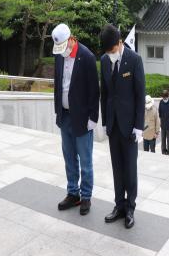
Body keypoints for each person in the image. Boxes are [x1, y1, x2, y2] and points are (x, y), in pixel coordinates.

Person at [100, 24, 145, 229]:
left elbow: (139, 94)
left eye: (112, 50)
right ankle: (119, 205)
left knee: (130, 168)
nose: (110, 54)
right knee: (117, 167)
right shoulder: (104, 60)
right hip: (113, 124)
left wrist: (138, 126)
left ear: (119, 43)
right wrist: (103, 121)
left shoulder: (134, 60)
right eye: (107, 52)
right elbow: (105, 94)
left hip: (129, 126)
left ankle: (130, 208)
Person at [53, 24, 100, 216]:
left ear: (72, 39)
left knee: (85, 161)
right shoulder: (59, 56)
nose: (62, 51)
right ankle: (73, 193)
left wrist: (93, 118)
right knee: (69, 157)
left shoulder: (87, 57)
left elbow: (94, 91)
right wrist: (58, 110)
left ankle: (86, 196)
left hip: (82, 118)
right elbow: (58, 85)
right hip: (65, 116)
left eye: (64, 46)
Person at [158, 90, 169, 155]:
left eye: (165, 97)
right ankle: (163, 151)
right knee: (163, 139)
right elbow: (159, 113)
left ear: (168, 96)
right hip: (163, 124)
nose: (164, 99)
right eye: (163, 97)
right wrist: (160, 122)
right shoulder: (161, 102)